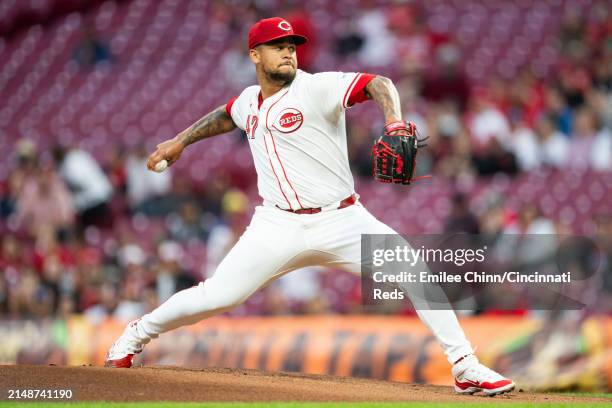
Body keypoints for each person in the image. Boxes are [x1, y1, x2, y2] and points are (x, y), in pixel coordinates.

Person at [104, 17, 515, 396]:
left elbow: (379, 83)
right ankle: (137, 334)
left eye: (291, 45)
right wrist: (180, 140)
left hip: (341, 219)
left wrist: (392, 122)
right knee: (217, 297)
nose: (287, 51)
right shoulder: (250, 100)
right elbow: (227, 114)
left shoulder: (316, 87)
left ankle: (464, 365)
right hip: (276, 225)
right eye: (276, 45)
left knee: (411, 268)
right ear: (254, 55)